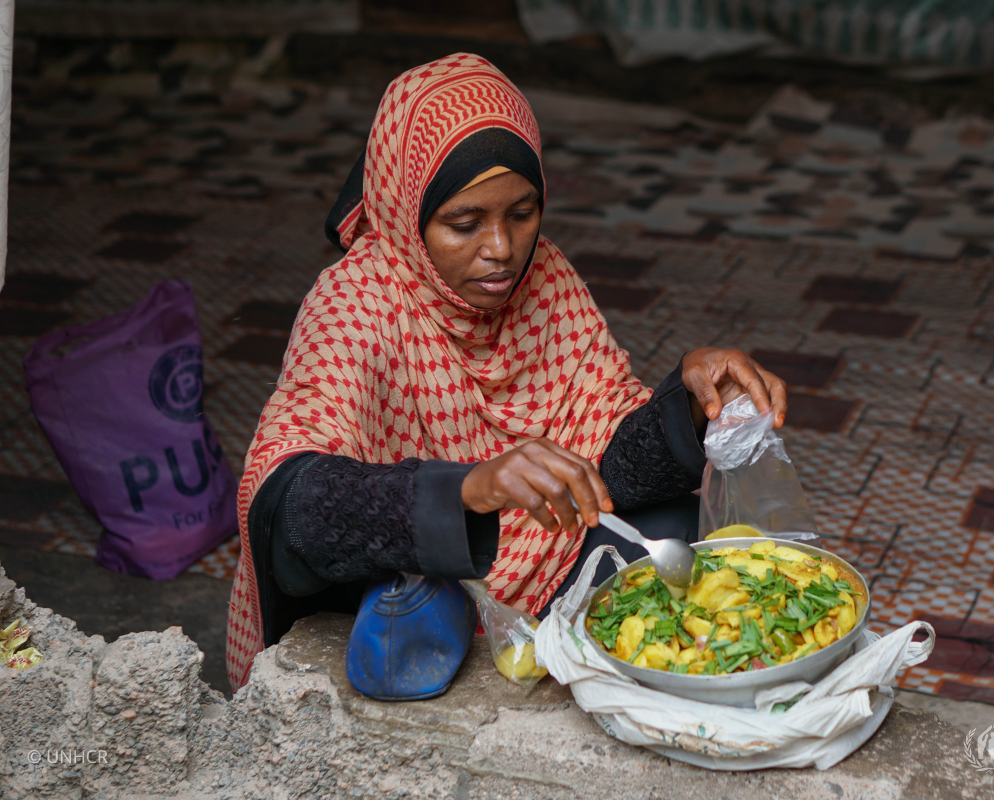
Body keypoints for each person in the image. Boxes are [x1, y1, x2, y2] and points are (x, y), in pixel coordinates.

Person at [224, 53, 788, 691]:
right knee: (406, 626)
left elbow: (609, 468)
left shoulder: (543, 276)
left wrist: (689, 399)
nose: (501, 248)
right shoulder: (357, 304)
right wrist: (467, 490)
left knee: (680, 537)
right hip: (419, 585)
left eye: (522, 213)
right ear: (406, 209)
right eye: (464, 223)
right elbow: (289, 502)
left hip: (548, 556)